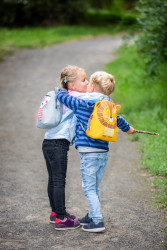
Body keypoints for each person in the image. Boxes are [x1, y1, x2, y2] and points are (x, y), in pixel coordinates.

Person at [57, 71, 136, 233]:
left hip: (88, 153)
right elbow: (119, 121)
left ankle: (97, 221)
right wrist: (129, 129)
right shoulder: (109, 106)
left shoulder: (83, 103)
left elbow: (66, 98)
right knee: (94, 187)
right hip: (103, 153)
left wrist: (60, 90)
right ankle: (93, 215)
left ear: (92, 86)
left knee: (89, 188)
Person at [42, 65, 89, 230]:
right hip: (58, 144)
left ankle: (56, 213)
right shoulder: (76, 96)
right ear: (72, 85)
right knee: (59, 181)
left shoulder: (62, 95)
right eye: (84, 80)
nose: (87, 83)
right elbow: (93, 99)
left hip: (48, 142)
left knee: (53, 180)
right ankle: (61, 219)